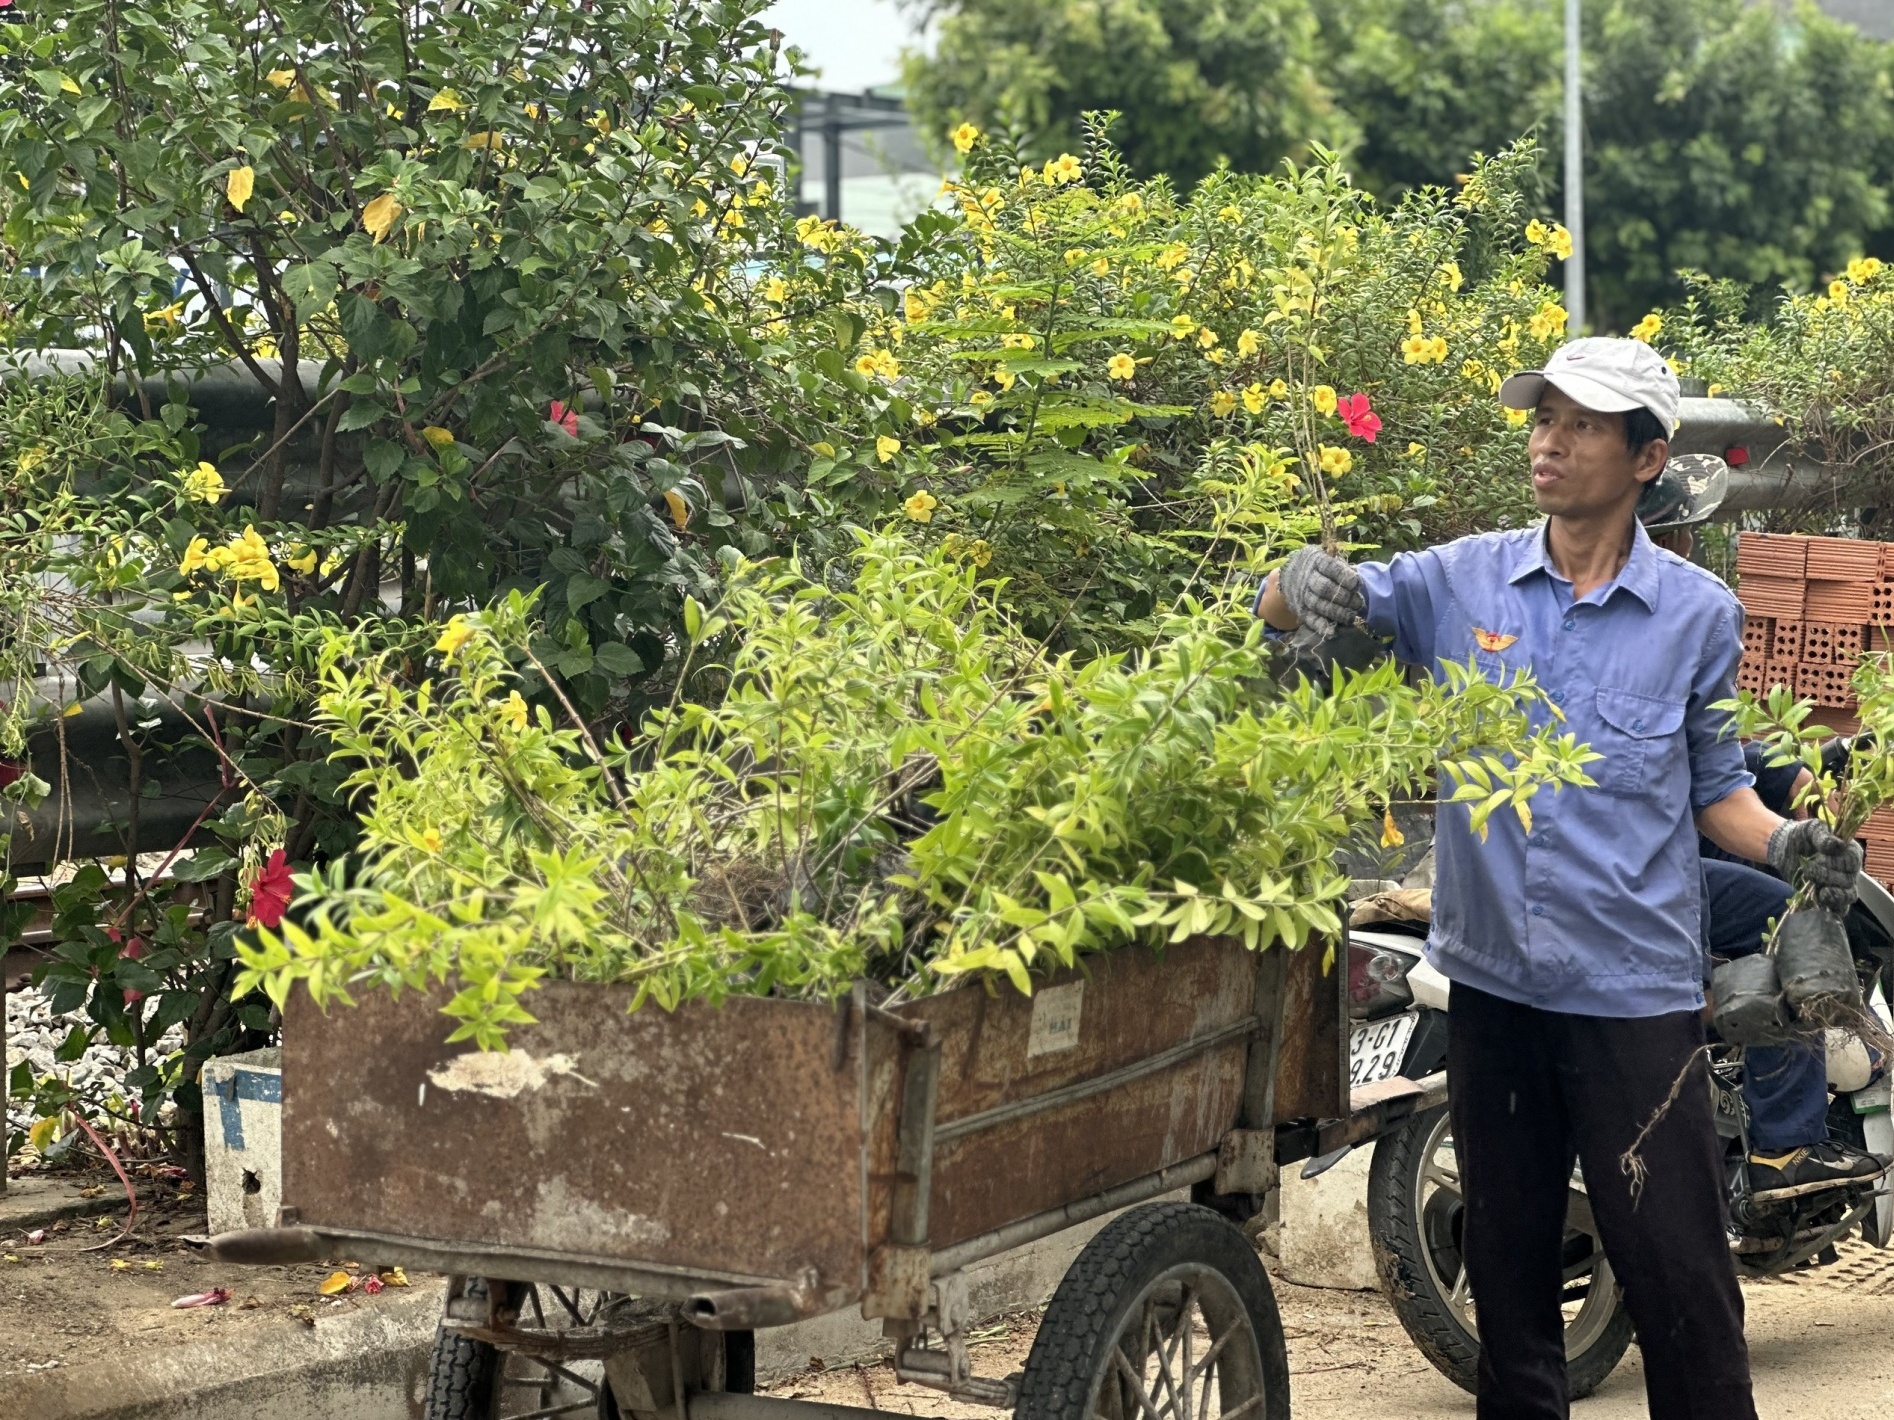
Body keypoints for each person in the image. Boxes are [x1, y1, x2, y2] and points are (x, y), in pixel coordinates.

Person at [1259, 336, 1864, 1420]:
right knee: (1508, 1277)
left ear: (1644, 456)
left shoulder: (1694, 614)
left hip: (1633, 999)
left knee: (1679, 1275)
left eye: (1582, 423)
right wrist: (1289, 583)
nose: (1550, 440)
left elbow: (1716, 788)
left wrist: (1781, 845)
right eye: (1544, 419)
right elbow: (1298, 609)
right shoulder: (1461, 579)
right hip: (1492, 992)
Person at [1640, 496, 1884, 1192]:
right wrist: (1802, 800)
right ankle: (1787, 1148)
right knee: (1792, 926)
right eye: (1681, 534)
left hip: (1663, 858)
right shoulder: (1674, 622)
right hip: (1656, 875)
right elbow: (1730, 765)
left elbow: (1731, 751)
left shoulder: (1661, 620)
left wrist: (1816, 765)